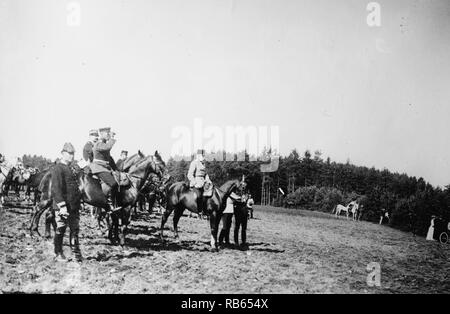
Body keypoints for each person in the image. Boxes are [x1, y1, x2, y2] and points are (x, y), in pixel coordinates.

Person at [51, 142, 83, 262]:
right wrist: (62, 206)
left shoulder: (71, 168)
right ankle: (58, 253)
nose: (71, 156)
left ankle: (75, 254)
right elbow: (56, 189)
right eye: (69, 154)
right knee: (61, 229)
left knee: (75, 230)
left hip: (73, 206)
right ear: (62, 154)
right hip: (63, 207)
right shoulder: (58, 168)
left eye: (73, 154)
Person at [90, 127, 119, 209]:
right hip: (98, 168)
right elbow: (107, 147)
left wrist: (116, 169)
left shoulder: (104, 143)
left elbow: (109, 158)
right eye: (107, 134)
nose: (109, 135)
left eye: (109, 133)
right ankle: (108, 203)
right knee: (113, 183)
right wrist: (112, 139)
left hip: (104, 168)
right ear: (102, 134)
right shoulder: (99, 144)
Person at [187, 149, 213, 214]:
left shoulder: (203, 164)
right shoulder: (194, 163)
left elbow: (205, 174)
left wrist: (209, 181)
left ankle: (207, 209)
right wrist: (194, 182)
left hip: (203, 183)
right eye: (202, 155)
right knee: (199, 195)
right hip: (196, 183)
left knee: (210, 194)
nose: (204, 157)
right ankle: (199, 210)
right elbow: (189, 174)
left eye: (204, 155)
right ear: (198, 155)